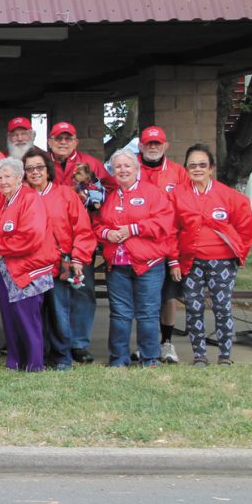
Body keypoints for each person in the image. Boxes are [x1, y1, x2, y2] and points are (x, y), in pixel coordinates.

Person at [171, 144, 252, 368]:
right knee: (193, 308)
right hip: (190, 261)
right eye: (192, 165)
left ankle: (225, 355)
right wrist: (174, 260)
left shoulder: (230, 196)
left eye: (202, 165)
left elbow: (245, 230)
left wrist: (239, 255)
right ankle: (199, 355)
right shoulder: (177, 195)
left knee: (222, 308)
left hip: (222, 262)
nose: (197, 169)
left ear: (211, 168)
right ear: (186, 169)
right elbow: (170, 230)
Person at [94, 149, 174, 368]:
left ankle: (149, 359)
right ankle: (118, 359)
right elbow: (97, 225)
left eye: (127, 166)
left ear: (137, 169)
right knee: (119, 314)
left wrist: (133, 229)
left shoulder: (152, 193)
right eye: (118, 166)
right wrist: (107, 233)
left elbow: (164, 223)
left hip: (148, 264)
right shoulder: (108, 196)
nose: (122, 170)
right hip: (117, 265)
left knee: (147, 313)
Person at [22, 146, 96, 371]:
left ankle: (62, 356)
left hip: (57, 264)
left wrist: (78, 258)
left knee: (59, 311)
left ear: (48, 170)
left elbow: (82, 229)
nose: (35, 172)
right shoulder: (21, 196)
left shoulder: (66, 195)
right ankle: (36, 355)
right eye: (30, 169)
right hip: (30, 266)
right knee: (33, 313)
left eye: (39, 167)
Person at [46, 120, 113, 363]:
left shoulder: (91, 163)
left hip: (82, 236)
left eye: (68, 138)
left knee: (82, 289)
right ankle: (54, 341)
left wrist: (95, 200)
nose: (63, 142)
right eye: (58, 138)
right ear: (50, 142)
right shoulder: (42, 164)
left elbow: (110, 190)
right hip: (50, 238)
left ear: (76, 142)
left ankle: (79, 343)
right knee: (52, 293)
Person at [0, 157, 56, 372]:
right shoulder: (4, 202)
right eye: (0, 178)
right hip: (7, 270)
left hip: (28, 269)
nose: (3, 181)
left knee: (28, 319)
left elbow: (31, 236)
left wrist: (0, 247)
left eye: (7, 176)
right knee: (10, 318)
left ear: (19, 178)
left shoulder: (30, 199)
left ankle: (34, 364)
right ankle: (14, 361)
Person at [137, 124, 191, 364]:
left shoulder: (178, 173)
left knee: (167, 296)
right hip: (139, 242)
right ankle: (144, 344)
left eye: (157, 143)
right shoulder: (131, 168)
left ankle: (166, 343)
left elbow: (186, 207)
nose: (153, 147)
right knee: (143, 298)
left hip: (169, 244)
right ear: (141, 145)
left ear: (165, 145)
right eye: (149, 143)